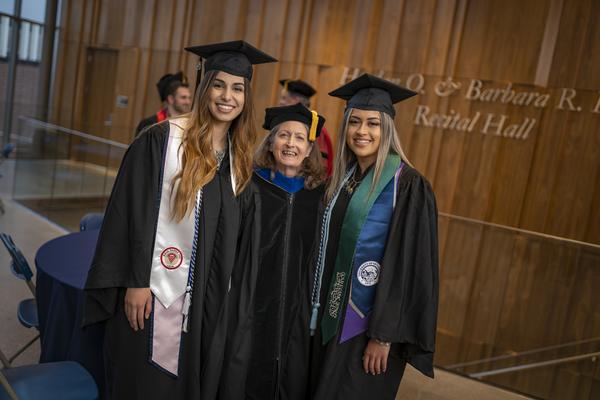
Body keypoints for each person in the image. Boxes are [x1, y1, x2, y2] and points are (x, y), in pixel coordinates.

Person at [82, 40, 276, 400]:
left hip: (207, 303)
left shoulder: (239, 165)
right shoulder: (160, 142)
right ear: (204, 88)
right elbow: (129, 214)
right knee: (148, 383)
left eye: (238, 88)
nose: (227, 96)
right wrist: (137, 281)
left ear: (246, 97)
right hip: (154, 294)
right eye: (218, 84)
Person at [309, 74, 439, 399]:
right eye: (354, 122)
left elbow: (408, 266)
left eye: (372, 124)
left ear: (387, 130)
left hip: (367, 323)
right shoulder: (343, 180)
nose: (361, 132)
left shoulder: (407, 186)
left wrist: (383, 336)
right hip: (330, 315)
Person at [236, 103, 326, 400]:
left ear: (310, 148)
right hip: (251, 306)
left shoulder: (321, 196)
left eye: (300, 138)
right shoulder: (250, 188)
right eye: (284, 135)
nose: (291, 143)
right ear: (271, 143)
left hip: (300, 311)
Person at [279, 79, 334, 177]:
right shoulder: (291, 123)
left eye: (284, 98)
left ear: (296, 100)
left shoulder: (314, 128)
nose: (280, 102)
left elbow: (319, 167)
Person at [135, 71, 192, 136]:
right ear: (171, 99)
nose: (188, 102)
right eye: (183, 97)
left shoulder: (188, 125)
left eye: (189, 97)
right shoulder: (149, 124)